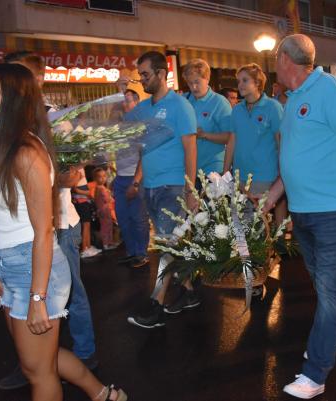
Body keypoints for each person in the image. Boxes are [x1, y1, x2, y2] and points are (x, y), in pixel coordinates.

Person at [0, 63, 126, 401]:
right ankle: (103, 394)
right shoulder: (1, 149)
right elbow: (2, 224)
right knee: (40, 362)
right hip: (12, 266)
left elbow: (44, 231)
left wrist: (38, 298)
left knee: (39, 373)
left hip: (36, 270)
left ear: (13, 98)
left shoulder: (27, 154)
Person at [263, 34, 336, 399]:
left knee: (329, 292)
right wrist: (270, 199)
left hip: (334, 212)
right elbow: (292, 162)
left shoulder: (329, 90)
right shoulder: (293, 99)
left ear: (283, 59)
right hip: (304, 212)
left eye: (274, 55)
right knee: (322, 286)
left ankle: (315, 373)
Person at [0, 52, 98, 391]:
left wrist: (49, 178)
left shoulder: (56, 121)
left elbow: (76, 171)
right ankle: (39, 363)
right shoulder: (8, 131)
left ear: (36, 80)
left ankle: (85, 354)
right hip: (21, 240)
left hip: (58, 224)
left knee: (72, 295)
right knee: (34, 323)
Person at [125, 51, 198, 328]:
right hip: (150, 187)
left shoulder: (180, 106)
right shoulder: (142, 110)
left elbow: (191, 148)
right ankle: (190, 292)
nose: (141, 80)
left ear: (161, 73)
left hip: (173, 186)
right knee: (171, 243)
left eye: (145, 74)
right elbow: (132, 140)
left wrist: (190, 189)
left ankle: (156, 302)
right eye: (140, 75)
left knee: (167, 243)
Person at [223, 63, 284, 224]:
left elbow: (281, 142)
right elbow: (232, 141)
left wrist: (282, 173)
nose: (240, 85)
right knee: (239, 228)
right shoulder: (236, 110)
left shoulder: (273, 107)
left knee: (259, 228)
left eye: (245, 80)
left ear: (257, 83)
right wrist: (225, 172)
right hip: (239, 176)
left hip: (264, 176)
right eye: (238, 81)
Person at [112, 88, 151, 268]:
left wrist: (135, 182)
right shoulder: (120, 127)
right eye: (122, 101)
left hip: (136, 179)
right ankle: (132, 252)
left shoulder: (141, 127)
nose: (124, 104)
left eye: (128, 100)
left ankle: (142, 254)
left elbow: (145, 156)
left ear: (137, 103)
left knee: (138, 218)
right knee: (123, 218)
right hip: (120, 178)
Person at [182, 58, 232, 177]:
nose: (193, 87)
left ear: (207, 79)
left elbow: (229, 137)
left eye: (197, 82)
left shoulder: (220, 102)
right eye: (189, 83)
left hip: (212, 169)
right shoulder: (184, 100)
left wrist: (204, 135)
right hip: (188, 168)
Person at [72, 168, 102, 257]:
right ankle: (85, 248)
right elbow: (75, 189)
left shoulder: (79, 168)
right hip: (81, 201)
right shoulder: (76, 169)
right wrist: (88, 193)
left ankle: (87, 246)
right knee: (85, 225)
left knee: (87, 225)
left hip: (83, 201)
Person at [93, 168, 118, 251]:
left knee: (108, 225)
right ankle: (106, 243)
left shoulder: (99, 187)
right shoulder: (101, 188)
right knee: (106, 226)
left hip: (103, 210)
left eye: (104, 176)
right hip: (104, 210)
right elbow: (107, 199)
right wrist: (111, 196)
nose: (103, 178)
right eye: (100, 177)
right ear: (95, 178)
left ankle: (109, 242)